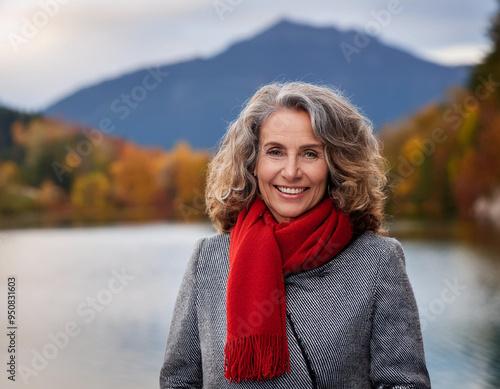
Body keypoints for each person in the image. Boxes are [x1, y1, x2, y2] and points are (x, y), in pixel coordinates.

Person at [159, 81, 431, 388]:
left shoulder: (378, 260)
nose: (291, 171)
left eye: (310, 154)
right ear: (252, 163)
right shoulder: (208, 259)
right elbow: (179, 381)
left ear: (336, 164)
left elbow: (404, 383)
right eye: (275, 152)